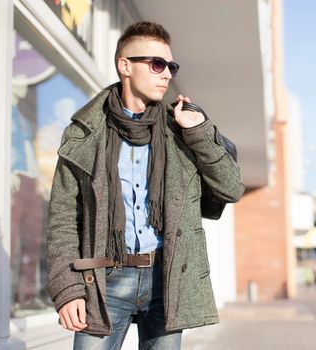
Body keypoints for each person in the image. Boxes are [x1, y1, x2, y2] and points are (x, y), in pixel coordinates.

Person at [46, 21, 244, 349]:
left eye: (171, 66)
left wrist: (199, 133)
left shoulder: (180, 130)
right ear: (125, 66)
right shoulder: (85, 133)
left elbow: (231, 189)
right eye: (157, 64)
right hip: (105, 281)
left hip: (165, 279)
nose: (166, 74)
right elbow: (63, 220)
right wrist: (68, 290)